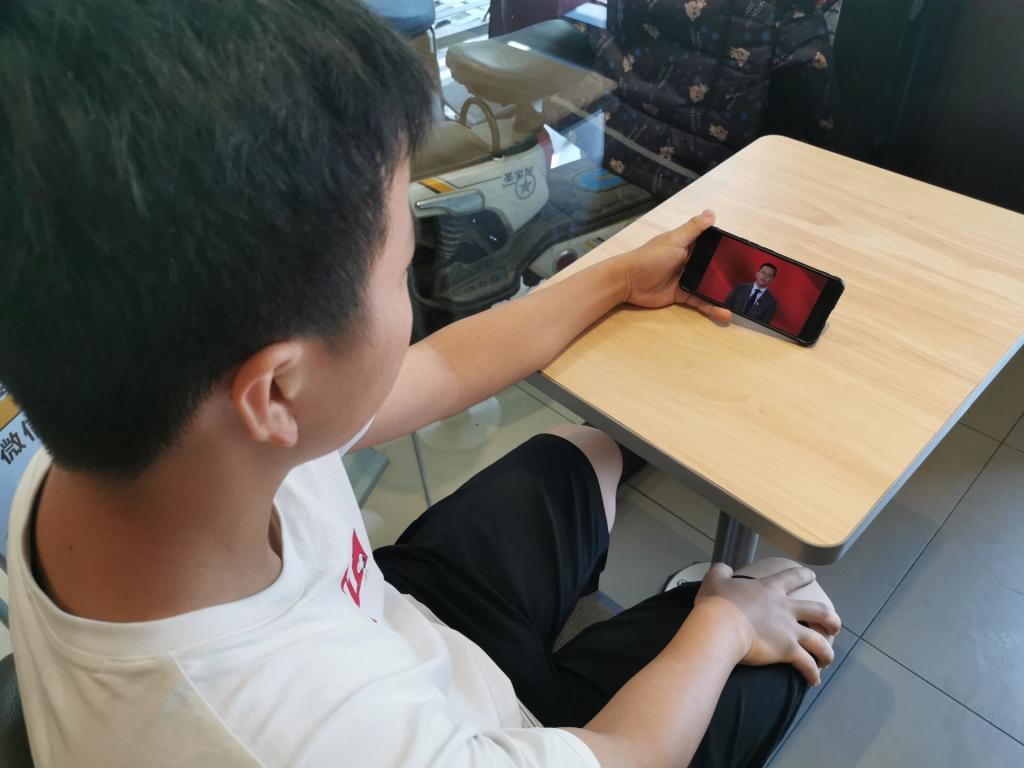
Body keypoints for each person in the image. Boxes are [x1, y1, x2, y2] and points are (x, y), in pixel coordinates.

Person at [0, 2, 841, 767]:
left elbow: (436, 368)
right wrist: (722, 625)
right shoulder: (313, 738)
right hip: (476, 724)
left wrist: (619, 277)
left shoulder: (130, 443)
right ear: (278, 393)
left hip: (402, 623)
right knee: (778, 633)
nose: (412, 292)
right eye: (402, 267)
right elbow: (628, 757)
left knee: (579, 455)